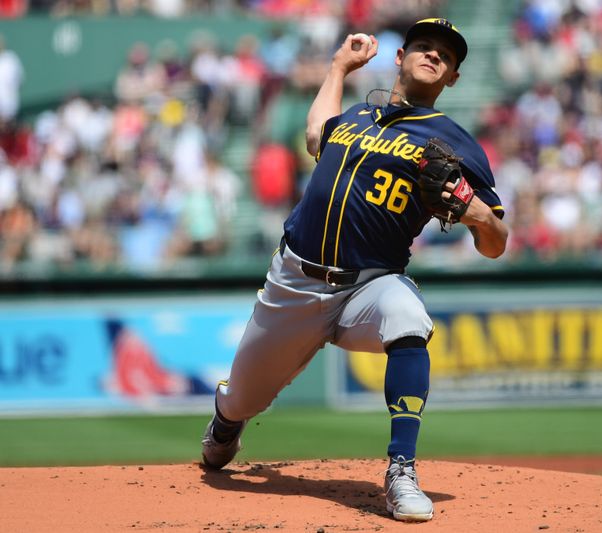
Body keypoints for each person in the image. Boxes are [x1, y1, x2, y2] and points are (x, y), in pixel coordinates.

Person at [200, 18, 508, 523]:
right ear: (400, 56)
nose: (433, 56)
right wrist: (339, 67)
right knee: (242, 399)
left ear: (452, 78)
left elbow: (496, 243)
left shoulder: (455, 142)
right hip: (295, 283)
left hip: (371, 286)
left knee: (409, 319)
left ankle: (401, 471)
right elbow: (314, 135)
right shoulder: (360, 114)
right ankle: (226, 422)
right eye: (424, 47)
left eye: (445, 56)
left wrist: (473, 211)